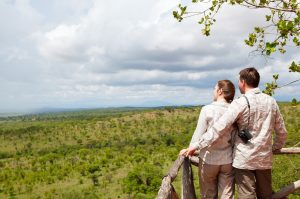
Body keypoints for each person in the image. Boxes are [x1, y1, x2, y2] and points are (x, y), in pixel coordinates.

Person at [184, 67, 287, 199]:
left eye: (239, 81)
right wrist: (274, 148)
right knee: (266, 195)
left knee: (246, 195)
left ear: (243, 82)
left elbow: (219, 128)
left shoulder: (240, 103)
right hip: (264, 159)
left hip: (244, 159)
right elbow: (282, 132)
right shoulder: (271, 101)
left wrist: (197, 145)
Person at [180, 80, 236, 199]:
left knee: (208, 195)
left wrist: (190, 149)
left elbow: (198, 133)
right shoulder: (234, 110)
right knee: (227, 195)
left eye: (214, 88)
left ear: (220, 91)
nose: (213, 91)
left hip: (209, 159)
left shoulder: (207, 109)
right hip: (228, 159)